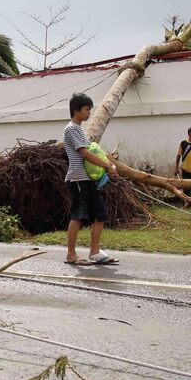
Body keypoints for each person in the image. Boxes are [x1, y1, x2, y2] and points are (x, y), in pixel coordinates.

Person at [63, 93, 119, 265]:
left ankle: (95, 252)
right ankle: (71, 255)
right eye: (87, 109)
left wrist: (110, 165)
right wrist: (107, 166)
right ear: (76, 110)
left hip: (88, 179)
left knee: (100, 214)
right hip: (78, 179)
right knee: (78, 216)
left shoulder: (79, 129)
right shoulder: (71, 129)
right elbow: (85, 153)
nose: (89, 113)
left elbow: (94, 151)